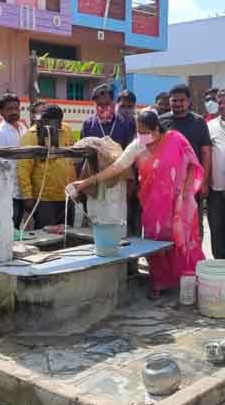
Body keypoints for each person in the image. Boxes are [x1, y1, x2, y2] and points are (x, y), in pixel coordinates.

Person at [69, 110, 205, 299]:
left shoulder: (176, 139)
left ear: (156, 128)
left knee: (181, 239)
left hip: (179, 203)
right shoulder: (138, 145)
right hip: (153, 204)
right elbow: (117, 167)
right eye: (138, 131)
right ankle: (159, 282)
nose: (141, 135)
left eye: (145, 131)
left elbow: (192, 166)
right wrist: (86, 182)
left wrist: (186, 193)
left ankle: (186, 280)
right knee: (155, 240)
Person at [82, 84, 139, 236]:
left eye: (107, 104)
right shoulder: (88, 124)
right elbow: (83, 156)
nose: (103, 107)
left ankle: (125, 256)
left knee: (119, 218)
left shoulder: (127, 122)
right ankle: (101, 250)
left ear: (113, 103)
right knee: (98, 217)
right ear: (93, 104)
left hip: (120, 179)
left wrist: (132, 181)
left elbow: (133, 153)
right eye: (99, 104)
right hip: (96, 180)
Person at [160, 84, 212, 237]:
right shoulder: (161, 121)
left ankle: (193, 258)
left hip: (191, 181)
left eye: (181, 100)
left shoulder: (199, 122)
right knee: (168, 222)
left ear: (189, 101)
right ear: (169, 101)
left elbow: (206, 152)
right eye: (174, 100)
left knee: (192, 221)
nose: (178, 104)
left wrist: (204, 181)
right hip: (167, 182)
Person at [18, 104, 77, 228]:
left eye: (60, 122)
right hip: (44, 199)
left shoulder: (66, 130)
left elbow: (72, 159)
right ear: (45, 121)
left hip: (67, 195)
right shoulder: (30, 136)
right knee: (47, 234)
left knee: (67, 233)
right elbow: (23, 169)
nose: (59, 125)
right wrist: (27, 196)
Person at [207, 89, 225, 261]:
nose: (223, 106)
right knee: (216, 227)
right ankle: (219, 263)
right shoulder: (210, 126)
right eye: (220, 102)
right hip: (216, 187)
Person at [0, 92, 27, 229]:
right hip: (7, 191)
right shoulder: (0, 133)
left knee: (19, 228)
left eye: (16, 108)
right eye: (9, 109)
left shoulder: (23, 129)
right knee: (7, 229)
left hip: (23, 188)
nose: (14, 112)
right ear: (1, 112)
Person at [81, 84, 136, 148]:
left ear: (113, 102)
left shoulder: (126, 123)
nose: (104, 108)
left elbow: (130, 152)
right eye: (100, 105)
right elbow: (83, 151)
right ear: (95, 104)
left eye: (107, 104)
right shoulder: (87, 125)